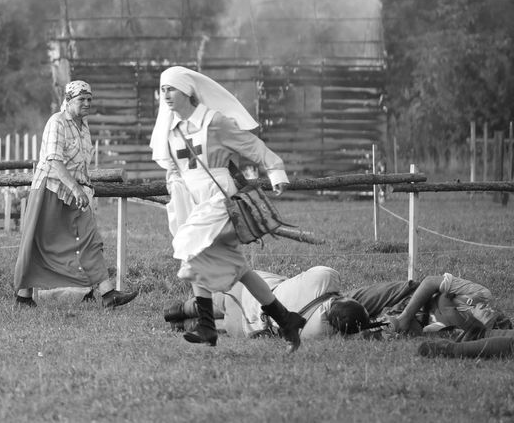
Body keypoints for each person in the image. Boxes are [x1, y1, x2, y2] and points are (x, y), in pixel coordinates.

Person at [150, 65, 307, 350]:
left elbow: (250, 145)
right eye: (162, 90)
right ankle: (286, 319)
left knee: (188, 246)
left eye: (170, 88)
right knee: (237, 268)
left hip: (219, 199)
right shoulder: (171, 131)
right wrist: (177, 191)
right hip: (194, 202)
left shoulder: (215, 122)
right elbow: (174, 169)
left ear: (187, 91)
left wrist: (276, 170)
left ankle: (207, 326)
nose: (166, 95)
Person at [13, 80, 138, 309]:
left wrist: (84, 189)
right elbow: (54, 161)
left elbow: (80, 165)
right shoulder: (57, 122)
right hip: (50, 191)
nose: (87, 103)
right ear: (68, 101)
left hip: (76, 195)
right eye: (82, 99)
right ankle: (23, 297)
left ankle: (108, 294)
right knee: (39, 243)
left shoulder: (84, 126)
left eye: (90, 99)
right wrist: (75, 188)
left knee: (90, 239)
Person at [163, 265, 418, 340]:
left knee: (214, 298)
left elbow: (327, 273)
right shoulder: (316, 332)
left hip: (251, 294)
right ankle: (185, 326)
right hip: (249, 327)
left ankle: (182, 311)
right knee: (220, 323)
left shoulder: (324, 278)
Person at [384, 273, 511, 339]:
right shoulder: (481, 295)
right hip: (406, 292)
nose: (489, 308)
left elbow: (425, 333)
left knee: (373, 328)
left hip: (395, 314)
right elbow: (430, 282)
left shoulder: (462, 333)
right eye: (494, 310)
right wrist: (404, 317)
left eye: (491, 316)